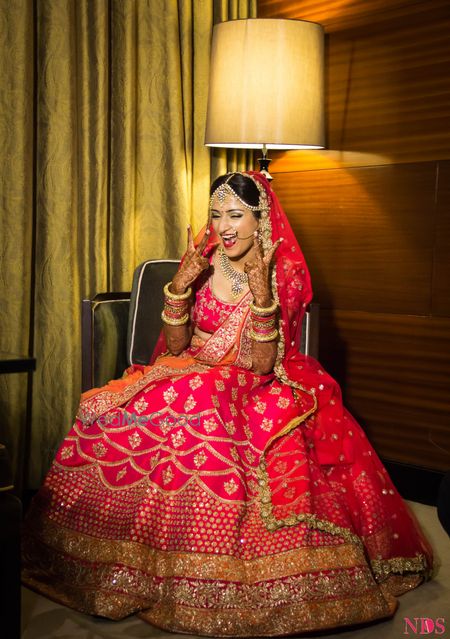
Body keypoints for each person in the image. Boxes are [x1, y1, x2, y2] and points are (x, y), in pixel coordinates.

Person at [22, 172, 432, 637]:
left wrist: (261, 293)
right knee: (108, 411)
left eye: (236, 215)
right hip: (190, 371)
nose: (224, 227)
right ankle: (114, 558)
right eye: (216, 215)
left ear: (261, 220)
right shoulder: (205, 261)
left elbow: (260, 364)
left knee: (201, 404)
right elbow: (175, 347)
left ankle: (205, 564)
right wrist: (180, 283)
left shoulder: (285, 272)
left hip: (255, 380)